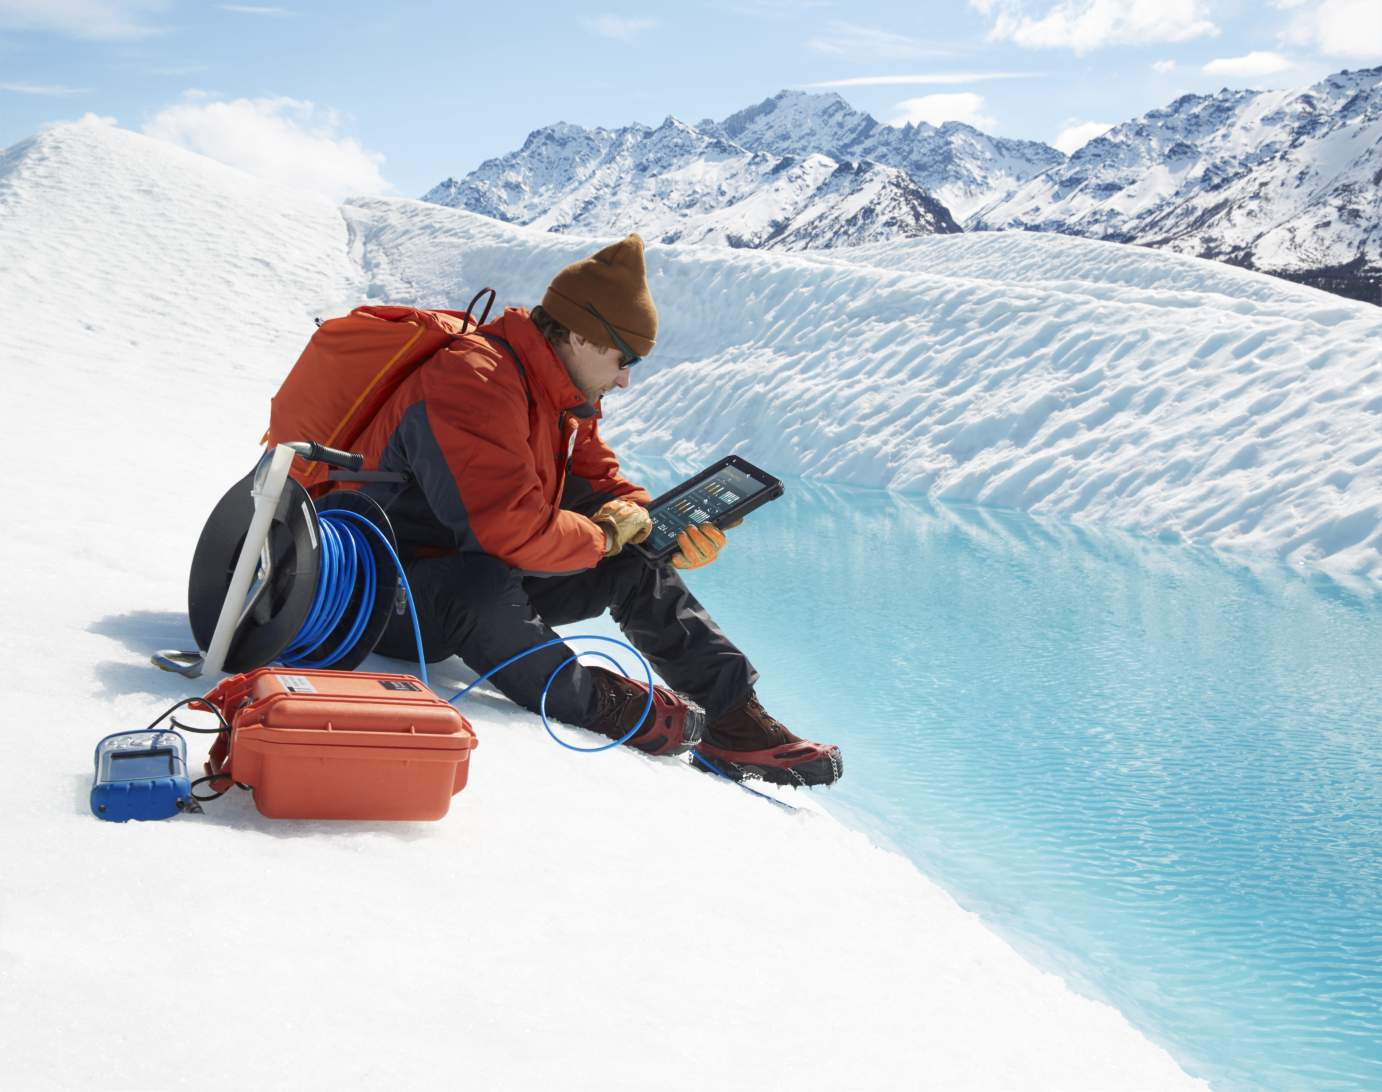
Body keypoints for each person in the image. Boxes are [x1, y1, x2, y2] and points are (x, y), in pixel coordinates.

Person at [357, 234, 842, 787]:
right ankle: (601, 702)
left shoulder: (564, 395)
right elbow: (506, 531)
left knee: (636, 559)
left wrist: (655, 528)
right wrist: (607, 534)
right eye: (624, 358)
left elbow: (598, 487)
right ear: (582, 335)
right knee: (479, 581)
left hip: (467, 571)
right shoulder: (473, 379)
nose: (625, 377)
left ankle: (733, 721)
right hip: (386, 593)